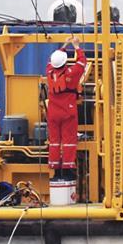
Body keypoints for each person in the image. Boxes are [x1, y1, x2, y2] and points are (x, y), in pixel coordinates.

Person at [46, 35, 86, 180]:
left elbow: (51, 61)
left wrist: (64, 45)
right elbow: (82, 62)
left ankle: (55, 168)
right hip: (67, 111)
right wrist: (76, 46)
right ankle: (68, 169)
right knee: (69, 140)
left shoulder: (49, 72)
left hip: (52, 112)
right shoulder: (71, 74)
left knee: (54, 141)